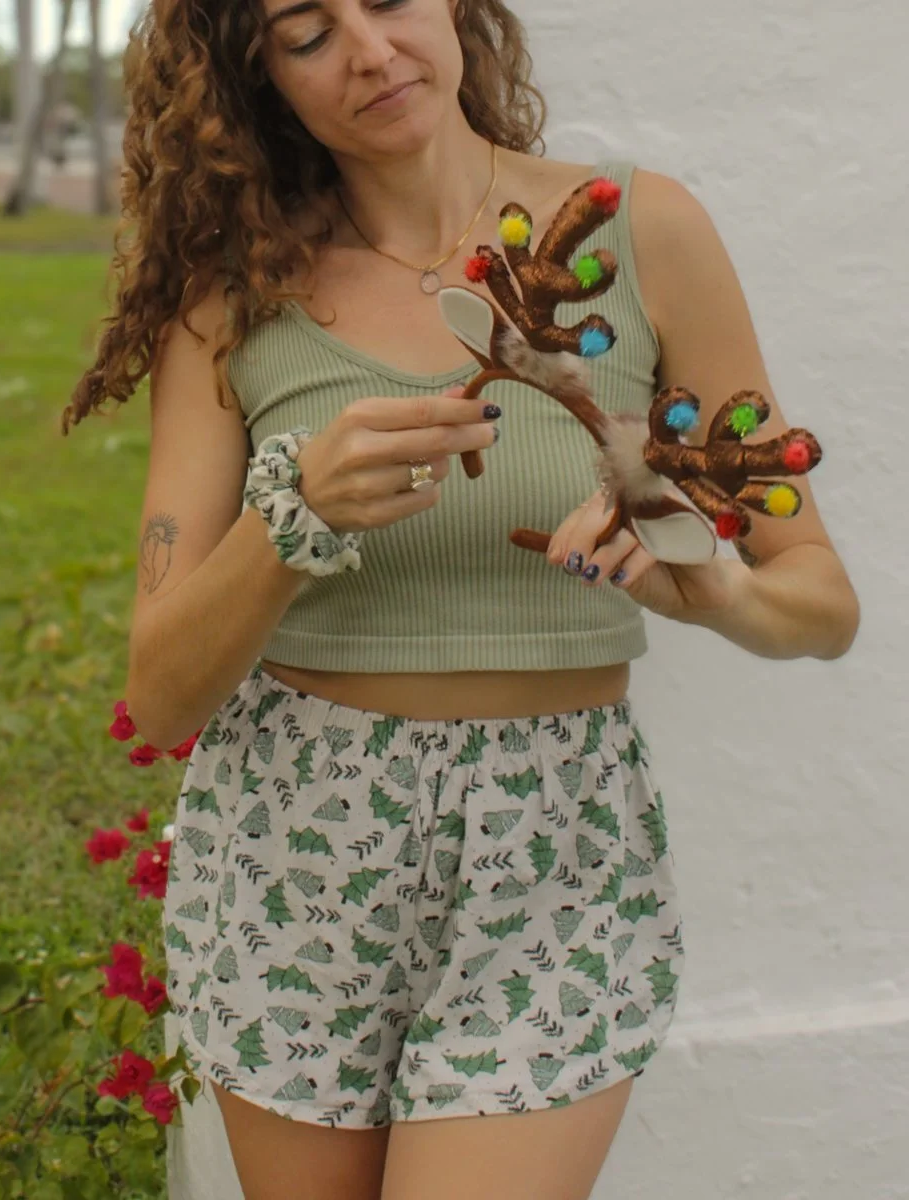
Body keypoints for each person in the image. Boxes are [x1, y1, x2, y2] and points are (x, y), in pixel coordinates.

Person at [64, 1, 860, 1196]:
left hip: (556, 843)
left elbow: (820, 601)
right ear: (258, 76)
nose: (370, 50)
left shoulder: (638, 231)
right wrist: (294, 520)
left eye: (389, 0)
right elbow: (163, 694)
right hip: (300, 842)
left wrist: (710, 591)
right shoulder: (233, 295)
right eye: (307, 32)